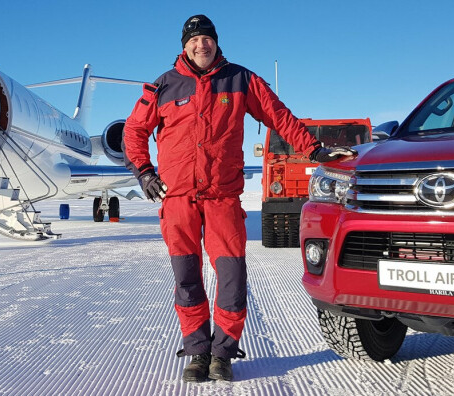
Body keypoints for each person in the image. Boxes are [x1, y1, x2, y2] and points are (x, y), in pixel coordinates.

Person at [123, 14, 356, 382]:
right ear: (184, 46)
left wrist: (313, 150)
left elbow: (278, 115)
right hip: (178, 201)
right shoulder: (162, 86)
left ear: (216, 42)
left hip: (222, 199)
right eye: (195, 39)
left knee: (231, 278)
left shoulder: (241, 79)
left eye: (208, 38)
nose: (202, 45)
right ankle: (197, 352)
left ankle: (224, 354)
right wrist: (145, 172)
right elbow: (133, 131)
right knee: (186, 278)